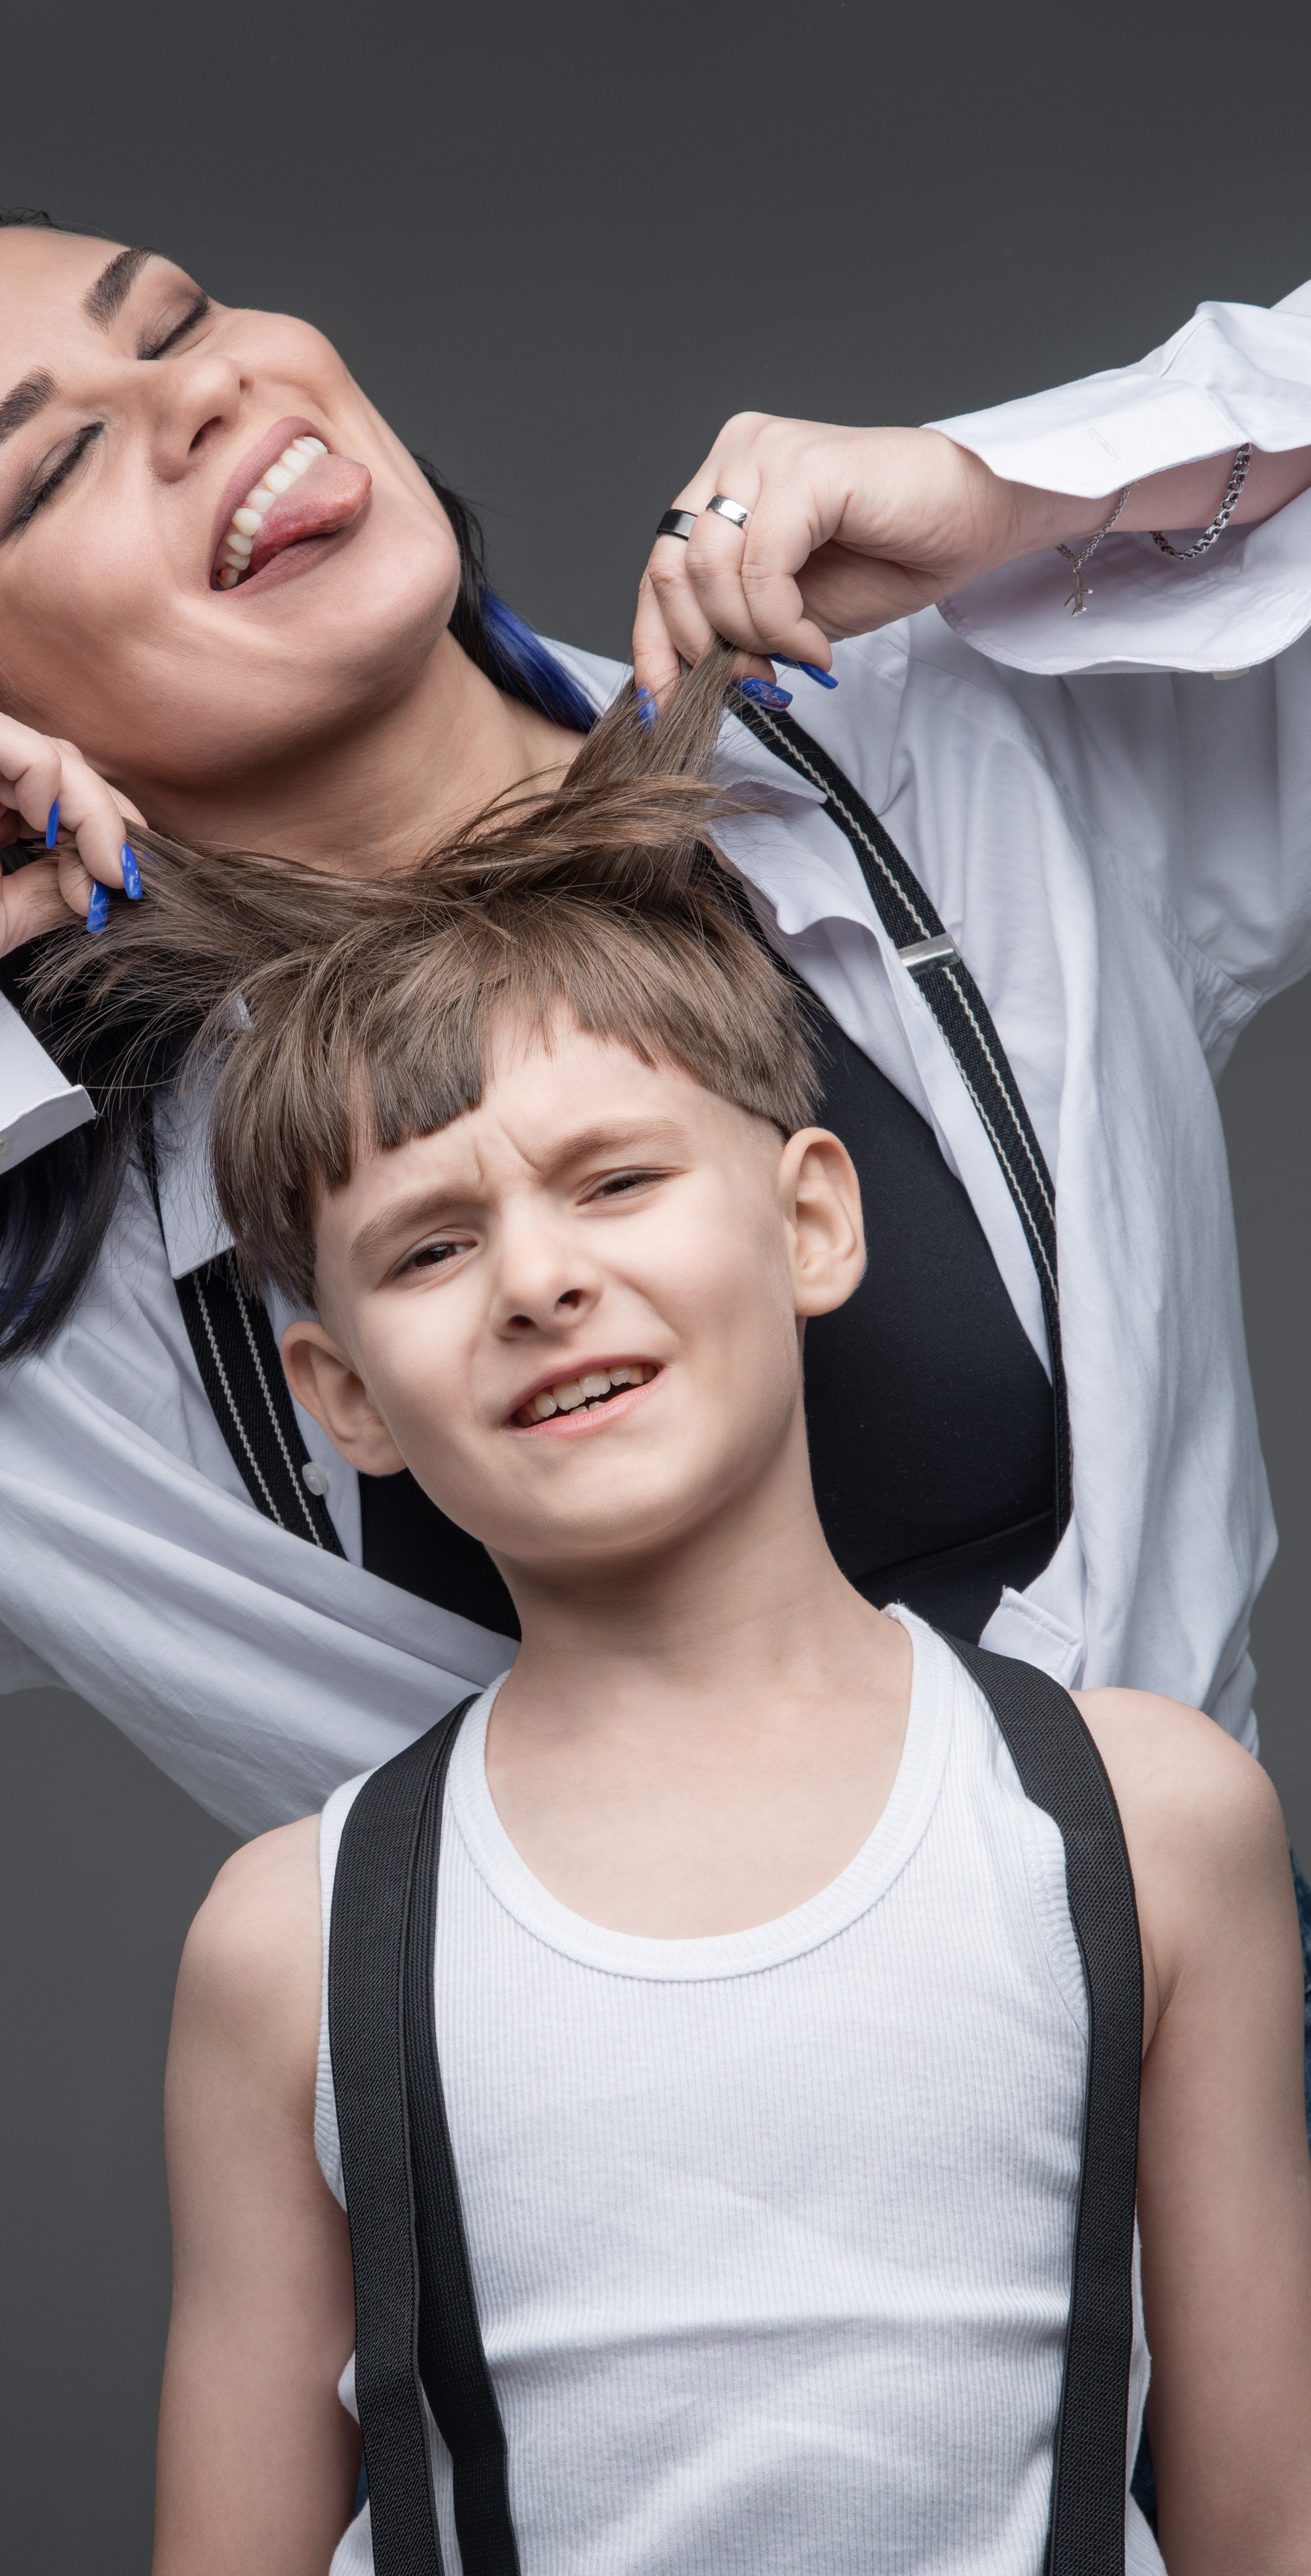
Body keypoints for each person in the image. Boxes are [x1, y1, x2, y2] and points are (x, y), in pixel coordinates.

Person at [0, 173, 1311, 1830]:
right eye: (54, 466)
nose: (198, 395)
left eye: (178, 318)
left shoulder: (948, 735)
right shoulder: (46, 1350)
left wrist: (1037, 496)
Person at [150, 673, 1311, 2572]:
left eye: (612, 1178)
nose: (538, 1277)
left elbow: (1267, 2526)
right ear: (342, 1393)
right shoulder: (291, 1938)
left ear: (813, 1222)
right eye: (431, 1246)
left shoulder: (1150, 1824)